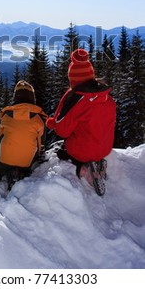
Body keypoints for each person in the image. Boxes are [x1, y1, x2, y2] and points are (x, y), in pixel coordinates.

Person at [46, 48, 116, 195]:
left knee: (63, 150)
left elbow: (62, 130)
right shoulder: (107, 98)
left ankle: (84, 167)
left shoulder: (75, 99)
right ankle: (98, 163)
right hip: (105, 148)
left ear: (72, 78)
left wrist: (52, 123)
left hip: (84, 151)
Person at [0, 80, 47, 189]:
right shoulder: (38, 118)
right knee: (28, 156)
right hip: (25, 161)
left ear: (16, 97)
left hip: (3, 159)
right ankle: (19, 173)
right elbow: (40, 143)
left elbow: (0, 135)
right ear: (32, 98)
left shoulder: (7, 115)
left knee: (1, 145)